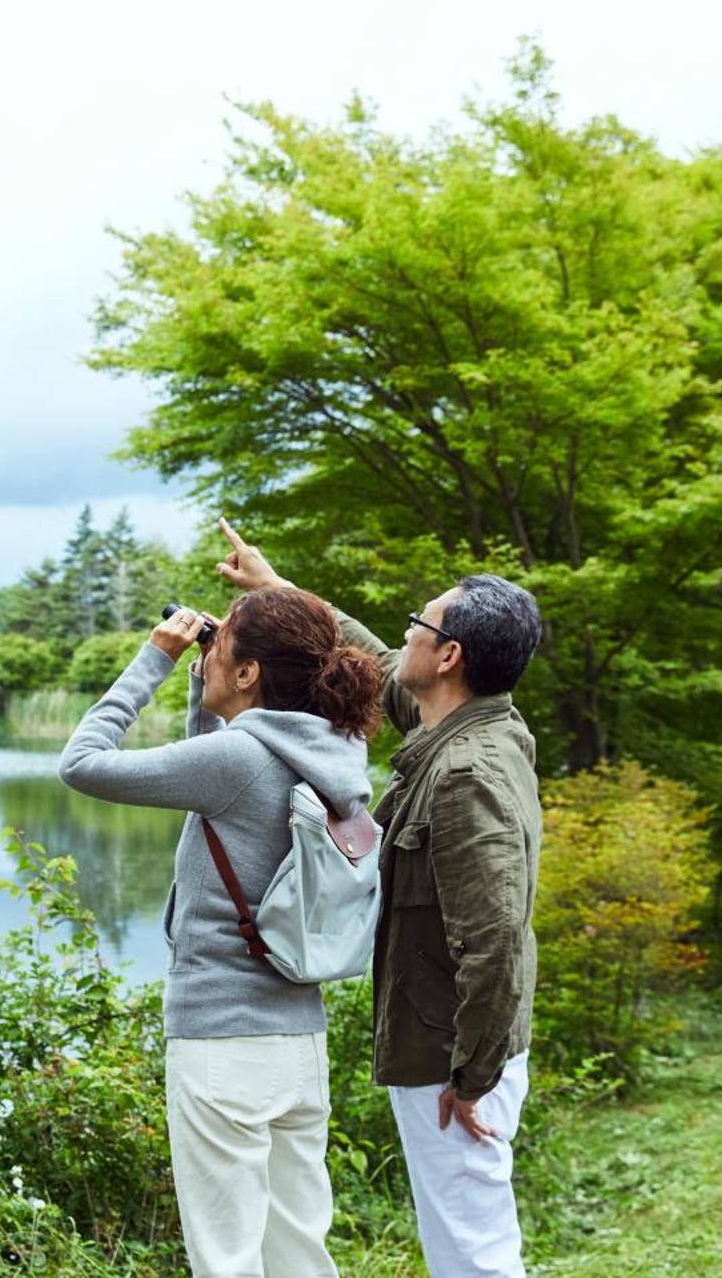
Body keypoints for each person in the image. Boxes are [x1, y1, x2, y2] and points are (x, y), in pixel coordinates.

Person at [212, 519, 544, 1278]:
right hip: (452, 1048)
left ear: (451, 653)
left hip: (455, 1058)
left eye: (419, 624)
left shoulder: (469, 773)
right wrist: (277, 590)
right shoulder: (464, 725)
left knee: (475, 1250)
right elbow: (374, 657)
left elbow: (495, 941)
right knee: (462, 1237)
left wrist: (474, 1078)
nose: (407, 636)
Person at [59, 585, 384, 1277]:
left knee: (227, 1259)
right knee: (299, 1252)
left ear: (249, 672)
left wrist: (154, 657)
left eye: (222, 646)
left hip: (222, 1044)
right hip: (299, 1039)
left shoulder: (238, 761)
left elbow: (80, 763)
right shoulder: (333, 749)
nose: (207, 656)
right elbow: (220, 779)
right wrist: (202, 685)